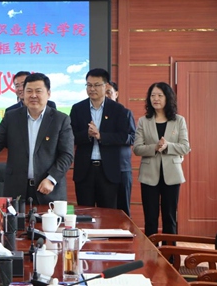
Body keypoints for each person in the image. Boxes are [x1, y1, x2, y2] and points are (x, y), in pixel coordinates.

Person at [0, 73, 73, 204]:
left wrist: (51, 179)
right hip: (17, 190)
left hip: (48, 190)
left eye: (38, 91)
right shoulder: (11, 117)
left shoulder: (61, 120)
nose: (33, 95)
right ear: (23, 94)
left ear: (48, 94)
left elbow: (67, 155)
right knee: (14, 218)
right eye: (29, 91)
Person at [70, 68, 134, 209]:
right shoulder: (77, 109)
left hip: (109, 171)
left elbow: (125, 136)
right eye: (89, 85)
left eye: (96, 85)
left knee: (108, 213)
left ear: (106, 86)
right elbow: (70, 136)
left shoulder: (118, 110)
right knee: (85, 213)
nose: (92, 89)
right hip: (85, 171)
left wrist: (101, 136)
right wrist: (87, 134)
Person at [134, 82, 190, 236]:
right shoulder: (143, 121)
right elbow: (137, 148)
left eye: (160, 95)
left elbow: (185, 147)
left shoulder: (179, 120)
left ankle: (169, 251)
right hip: (148, 175)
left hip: (172, 175)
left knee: (169, 218)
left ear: (168, 98)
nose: (155, 99)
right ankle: (150, 250)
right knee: (150, 219)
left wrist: (167, 146)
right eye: (152, 95)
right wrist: (155, 147)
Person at [105, 81, 136, 216]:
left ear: (116, 94)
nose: (106, 96)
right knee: (107, 212)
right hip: (104, 171)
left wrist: (108, 137)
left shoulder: (125, 113)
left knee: (123, 212)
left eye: (109, 92)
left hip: (122, 169)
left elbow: (133, 138)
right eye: (103, 93)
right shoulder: (97, 116)